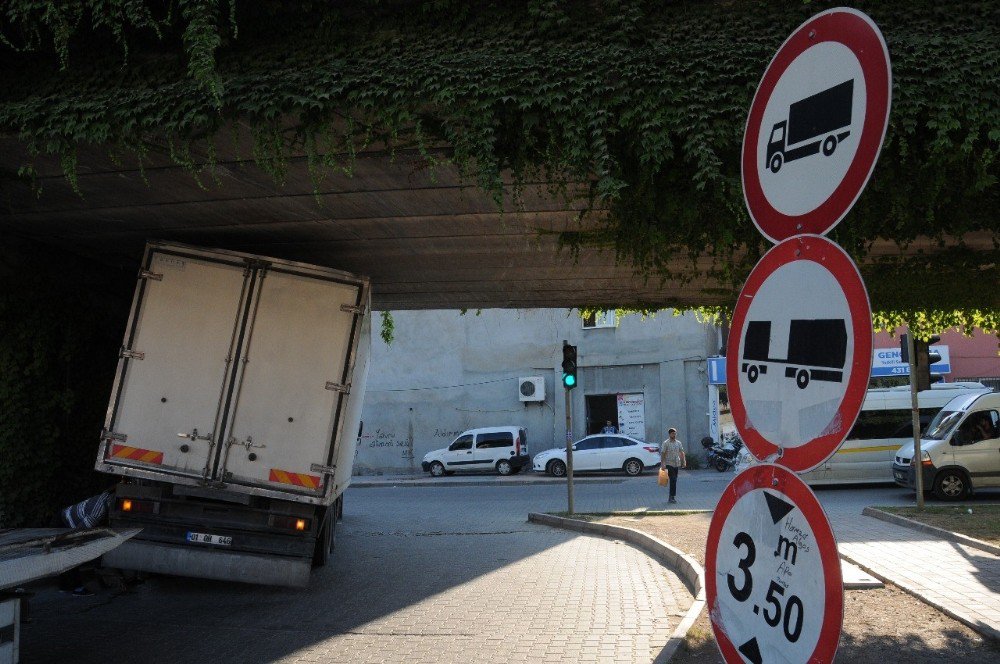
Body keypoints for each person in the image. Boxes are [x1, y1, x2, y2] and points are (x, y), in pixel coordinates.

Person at [659, 427, 686, 504]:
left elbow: (681, 452)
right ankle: (671, 497)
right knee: (673, 479)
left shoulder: (678, 443)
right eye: (673, 433)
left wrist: (684, 461)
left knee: (674, 480)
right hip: (668, 463)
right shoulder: (666, 443)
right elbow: (663, 453)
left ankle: (671, 496)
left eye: (675, 433)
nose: (674, 435)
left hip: (676, 464)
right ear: (669, 434)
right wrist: (662, 464)